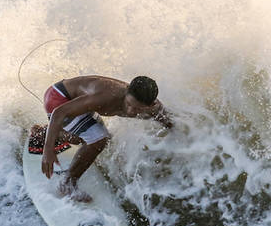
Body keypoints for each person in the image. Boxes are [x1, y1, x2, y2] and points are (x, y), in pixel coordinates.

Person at [32, 75, 172, 201]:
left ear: (151, 105)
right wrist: (48, 149)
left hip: (78, 104)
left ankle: (45, 132)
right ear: (126, 91)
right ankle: (67, 183)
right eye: (129, 104)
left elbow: (171, 123)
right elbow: (59, 113)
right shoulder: (106, 96)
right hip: (59, 98)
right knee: (99, 139)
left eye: (138, 109)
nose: (130, 111)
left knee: (88, 139)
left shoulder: (155, 109)